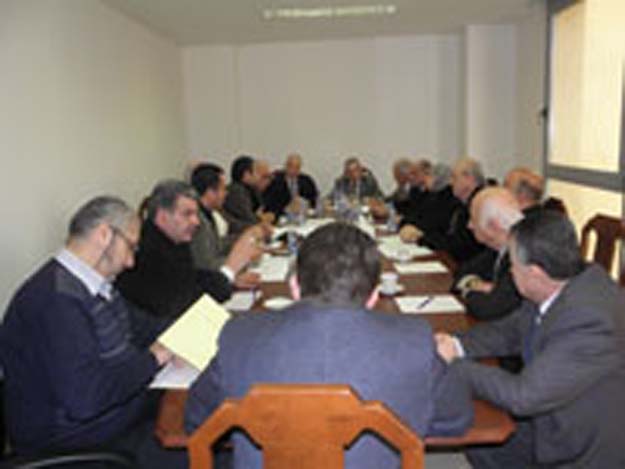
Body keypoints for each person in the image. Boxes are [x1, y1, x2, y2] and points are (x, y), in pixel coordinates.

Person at [185, 222, 473, 469]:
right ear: (374, 295)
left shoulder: (238, 335)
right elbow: (456, 419)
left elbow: (196, 420)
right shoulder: (414, 340)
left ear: (294, 286)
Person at [0, 196, 185, 467]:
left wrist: (195, 330)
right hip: (78, 444)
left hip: (119, 417)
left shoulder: (95, 286)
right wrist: (155, 358)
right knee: (209, 450)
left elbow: (145, 326)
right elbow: (87, 399)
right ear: (104, 235)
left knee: (203, 413)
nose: (131, 262)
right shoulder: (54, 300)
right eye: (131, 247)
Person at [436, 211, 625, 468]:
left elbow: (523, 397)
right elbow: (511, 331)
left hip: (580, 445)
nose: (510, 271)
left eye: (513, 264)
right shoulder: (559, 284)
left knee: (482, 437)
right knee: (479, 445)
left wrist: (455, 365)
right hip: (548, 413)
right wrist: (455, 344)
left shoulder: (591, 321)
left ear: (535, 273)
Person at [117, 180, 261, 318]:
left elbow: (191, 277)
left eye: (196, 214)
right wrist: (229, 270)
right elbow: (185, 303)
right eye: (187, 214)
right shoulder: (145, 251)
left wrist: (229, 281)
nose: (196, 222)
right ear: (162, 217)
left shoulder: (174, 239)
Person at [453, 187, 524, 321]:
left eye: (473, 219)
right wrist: (474, 284)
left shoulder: (521, 256)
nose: (469, 225)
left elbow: (488, 308)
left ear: (493, 225)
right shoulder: (496, 249)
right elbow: (461, 272)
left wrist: (468, 291)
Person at [400, 157, 486, 263]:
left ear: (468, 178)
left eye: (454, 177)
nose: (451, 182)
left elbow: (459, 246)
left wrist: (420, 238)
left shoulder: (479, 204)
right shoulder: (462, 203)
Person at [189, 163, 263, 277]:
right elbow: (206, 265)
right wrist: (242, 259)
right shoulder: (197, 221)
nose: (226, 193)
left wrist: (243, 239)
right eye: (223, 189)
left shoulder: (208, 214)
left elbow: (217, 245)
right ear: (210, 192)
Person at [223, 156, 274, 235]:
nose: (257, 177)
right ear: (246, 175)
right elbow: (250, 220)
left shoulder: (250, 190)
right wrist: (262, 220)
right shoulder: (236, 192)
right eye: (255, 172)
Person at [262, 153, 319, 218]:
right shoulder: (274, 181)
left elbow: (315, 199)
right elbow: (269, 205)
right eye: (291, 166)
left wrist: (305, 205)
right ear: (285, 166)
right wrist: (286, 209)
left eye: (297, 167)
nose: (293, 170)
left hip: (303, 216)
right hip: (281, 217)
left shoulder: (306, 180)